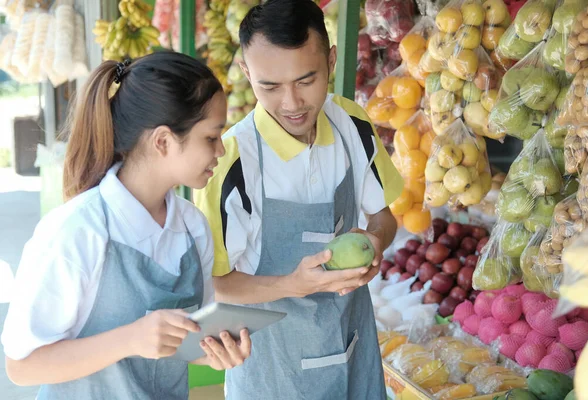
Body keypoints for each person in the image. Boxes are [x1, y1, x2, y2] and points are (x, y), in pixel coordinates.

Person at [2, 52, 252, 400]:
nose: (221, 151)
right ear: (163, 141)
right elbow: (21, 365)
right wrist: (130, 338)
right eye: (211, 137)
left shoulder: (193, 227)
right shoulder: (76, 231)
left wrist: (218, 351)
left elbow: (189, 342)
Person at [194, 0, 404, 398]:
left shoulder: (352, 125)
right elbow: (216, 283)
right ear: (246, 73)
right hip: (272, 368)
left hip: (352, 346)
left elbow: (383, 217)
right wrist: (294, 284)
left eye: (306, 81)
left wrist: (375, 242)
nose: (291, 104)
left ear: (331, 61)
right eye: (269, 86)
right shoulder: (229, 161)